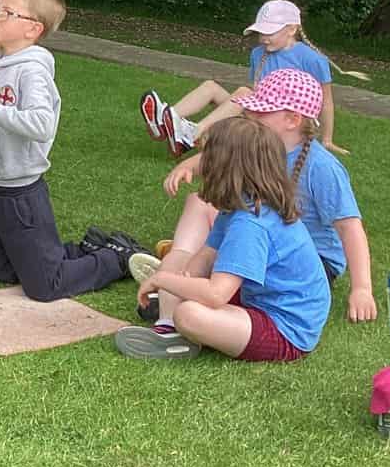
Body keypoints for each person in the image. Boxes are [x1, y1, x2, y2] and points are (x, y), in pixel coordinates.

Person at [0, 0, 141, 299]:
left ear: (32, 29)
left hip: (20, 194)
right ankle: (87, 247)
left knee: (46, 285)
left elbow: (42, 125)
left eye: (7, 12)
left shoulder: (32, 71)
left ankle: (117, 258)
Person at [139, 68, 375, 321]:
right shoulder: (258, 146)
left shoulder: (323, 168)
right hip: (262, 238)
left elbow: (350, 228)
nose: (250, 115)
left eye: (261, 111)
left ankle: (183, 286)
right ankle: (180, 265)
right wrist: (188, 166)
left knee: (226, 272)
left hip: (305, 261)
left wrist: (362, 289)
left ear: (292, 120)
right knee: (198, 202)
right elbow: (224, 156)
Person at [115, 117, 330, 363]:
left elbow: (216, 294)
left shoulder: (250, 225)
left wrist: (162, 280)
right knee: (180, 271)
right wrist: (180, 282)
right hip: (254, 297)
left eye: (209, 158)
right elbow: (207, 255)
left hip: (285, 329)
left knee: (189, 314)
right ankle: (168, 327)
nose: (203, 166)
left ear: (224, 169)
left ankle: (178, 324)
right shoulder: (240, 205)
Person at [139, 0, 343, 156]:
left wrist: (327, 139)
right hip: (261, 113)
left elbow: (326, 102)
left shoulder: (313, 59)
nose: (263, 38)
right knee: (211, 86)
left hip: (289, 124)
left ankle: (191, 133)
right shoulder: (258, 53)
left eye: (270, 32)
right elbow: (258, 93)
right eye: (261, 32)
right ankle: (165, 121)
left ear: (292, 29)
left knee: (244, 92)